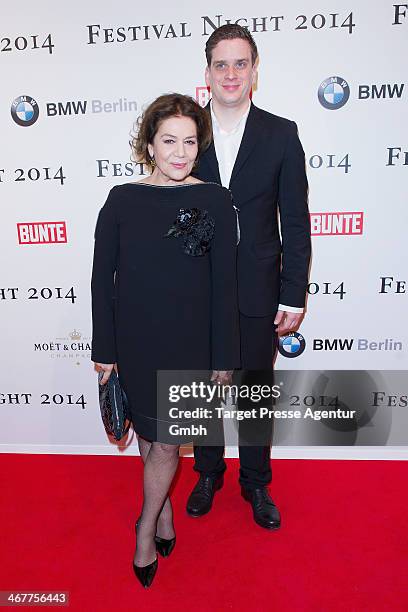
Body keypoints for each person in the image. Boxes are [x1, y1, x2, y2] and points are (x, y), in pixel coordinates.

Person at [91, 93, 240, 587]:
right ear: (149, 145)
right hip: (137, 341)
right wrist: (105, 353)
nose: (180, 152)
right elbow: (101, 281)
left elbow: (225, 286)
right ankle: (164, 514)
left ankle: (143, 528)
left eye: (190, 141)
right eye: (169, 140)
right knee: (154, 439)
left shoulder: (216, 199)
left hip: (193, 346)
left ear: (201, 146)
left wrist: (223, 356)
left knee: (169, 445)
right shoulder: (122, 200)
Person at [187, 25, 311, 529]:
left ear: (255, 70)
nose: (231, 74)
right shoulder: (188, 131)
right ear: (208, 73)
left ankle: (256, 482)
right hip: (197, 290)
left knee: (255, 390)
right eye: (221, 64)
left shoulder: (282, 133)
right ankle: (208, 472)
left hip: (260, 288)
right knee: (200, 388)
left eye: (241, 63)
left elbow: (296, 219)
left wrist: (294, 291)